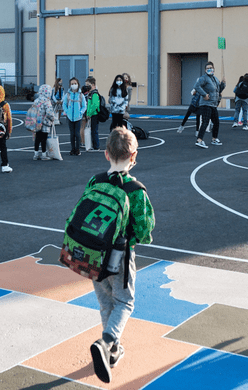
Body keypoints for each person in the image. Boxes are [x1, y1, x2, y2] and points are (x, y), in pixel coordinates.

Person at [88, 127, 155, 383]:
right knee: (125, 302)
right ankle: (106, 342)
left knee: (106, 302)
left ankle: (113, 350)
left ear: (106, 154)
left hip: (93, 254)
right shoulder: (135, 189)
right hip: (120, 257)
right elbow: (144, 229)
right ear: (134, 156)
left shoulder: (95, 181)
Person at [194, 61, 226, 149]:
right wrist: (204, 95)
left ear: (214, 69)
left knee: (216, 122)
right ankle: (199, 140)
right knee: (205, 121)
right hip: (206, 104)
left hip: (213, 104)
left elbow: (218, 90)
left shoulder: (215, 79)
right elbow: (196, 86)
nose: (210, 69)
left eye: (211, 68)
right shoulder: (203, 78)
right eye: (208, 68)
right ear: (205, 70)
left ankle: (214, 139)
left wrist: (223, 84)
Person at [63, 77, 86, 156]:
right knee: (72, 134)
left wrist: (80, 112)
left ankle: (77, 149)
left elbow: (84, 106)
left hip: (78, 117)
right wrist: (67, 112)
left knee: (77, 133)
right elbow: (64, 104)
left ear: (78, 84)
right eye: (72, 84)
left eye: (75, 83)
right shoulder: (67, 95)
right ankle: (73, 149)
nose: (74, 85)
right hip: (70, 117)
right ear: (70, 85)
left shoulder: (81, 95)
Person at [32, 84, 55, 160]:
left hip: (37, 123)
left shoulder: (36, 101)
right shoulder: (47, 102)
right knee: (43, 139)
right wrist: (52, 118)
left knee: (37, 138)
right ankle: (44, 154)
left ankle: (35, 154)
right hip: (45, 123)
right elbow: (49, 113)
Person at [85, 76, 103, 151]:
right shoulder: (90, 93)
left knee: (94, 130)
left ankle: (96, 146)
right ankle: (93, 144)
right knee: (92, 130)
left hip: (94, 114)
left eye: (88, 85)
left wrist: (89, 113)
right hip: (91, 114)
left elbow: (94, 105)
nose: (86, 86)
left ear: (93, 85)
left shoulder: (94, 94)